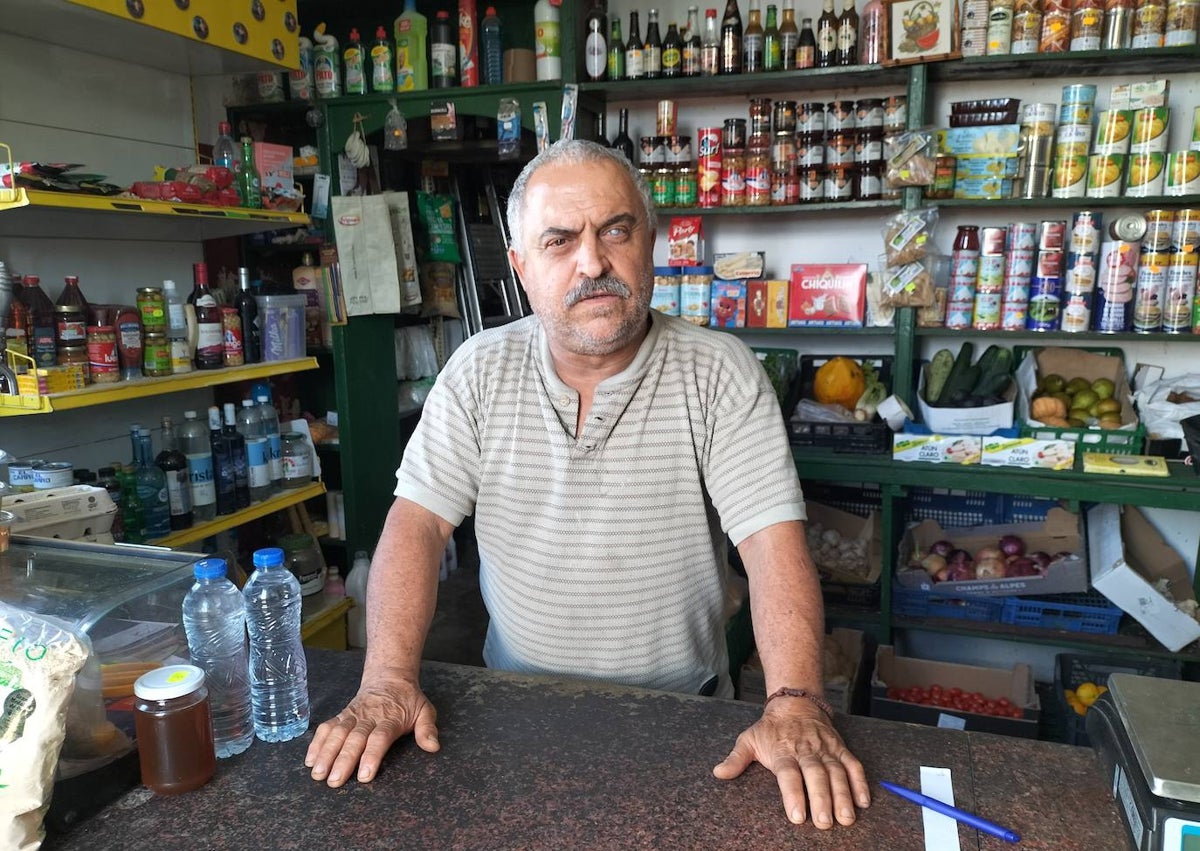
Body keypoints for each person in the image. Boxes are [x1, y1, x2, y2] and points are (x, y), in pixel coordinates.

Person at [304, 139, 871, 829]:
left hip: (685, 717)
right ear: (521, 266)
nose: (593, 261)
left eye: (615, 230)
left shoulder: (720, 372)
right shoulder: (478, 371)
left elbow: (771, 544)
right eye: (559, 239)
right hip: (512, 709)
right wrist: (388, 680)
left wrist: (794, 700)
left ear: (650, 241)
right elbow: (417, 523)